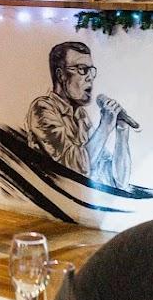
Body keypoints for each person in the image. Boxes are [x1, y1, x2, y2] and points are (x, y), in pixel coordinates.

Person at [25, 41, 133, 189]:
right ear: (61, 75)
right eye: (82, 69)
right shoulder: (42, 109)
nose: (90, 77)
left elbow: (118, 180)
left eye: (91, 71)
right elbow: (73, 169)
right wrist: (105, 127)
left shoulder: (81, 116)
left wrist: (122, 131)